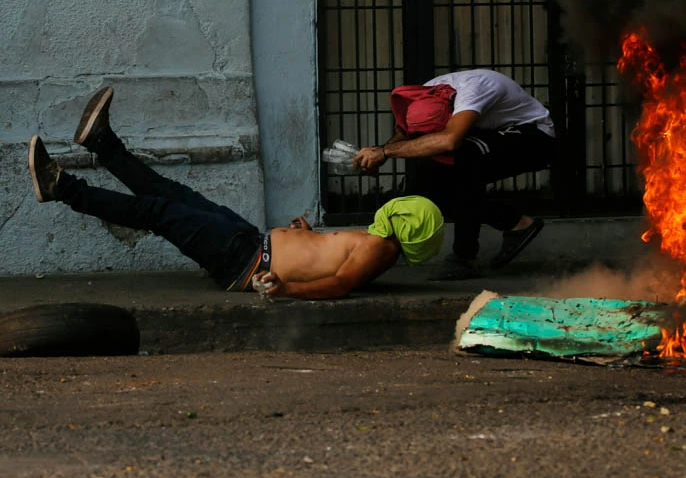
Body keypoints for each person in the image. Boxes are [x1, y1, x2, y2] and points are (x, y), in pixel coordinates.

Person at [27, 87, 445, 299]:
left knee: (157, 210)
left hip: (243, 260)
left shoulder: (381, 250)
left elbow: (337, 284)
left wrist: (285, 291)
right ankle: (103, 144)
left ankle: (63, 187)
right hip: (248, 241)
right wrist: (305, 235)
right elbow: (322, 260)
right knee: (168, 192)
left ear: (409, 224)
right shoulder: (376, 243)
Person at [353, 69, 556, 280]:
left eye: (434, 132)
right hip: (489, 133)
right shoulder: (427, 92)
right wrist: (379, 153)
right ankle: (514, 224)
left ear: (451, 116)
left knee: (461, 158)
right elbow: (407, 133)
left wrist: (387, 152)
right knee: (427, 177)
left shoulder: (473, 91)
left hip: (535, 137)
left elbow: (449, 140)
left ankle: (465, 257)